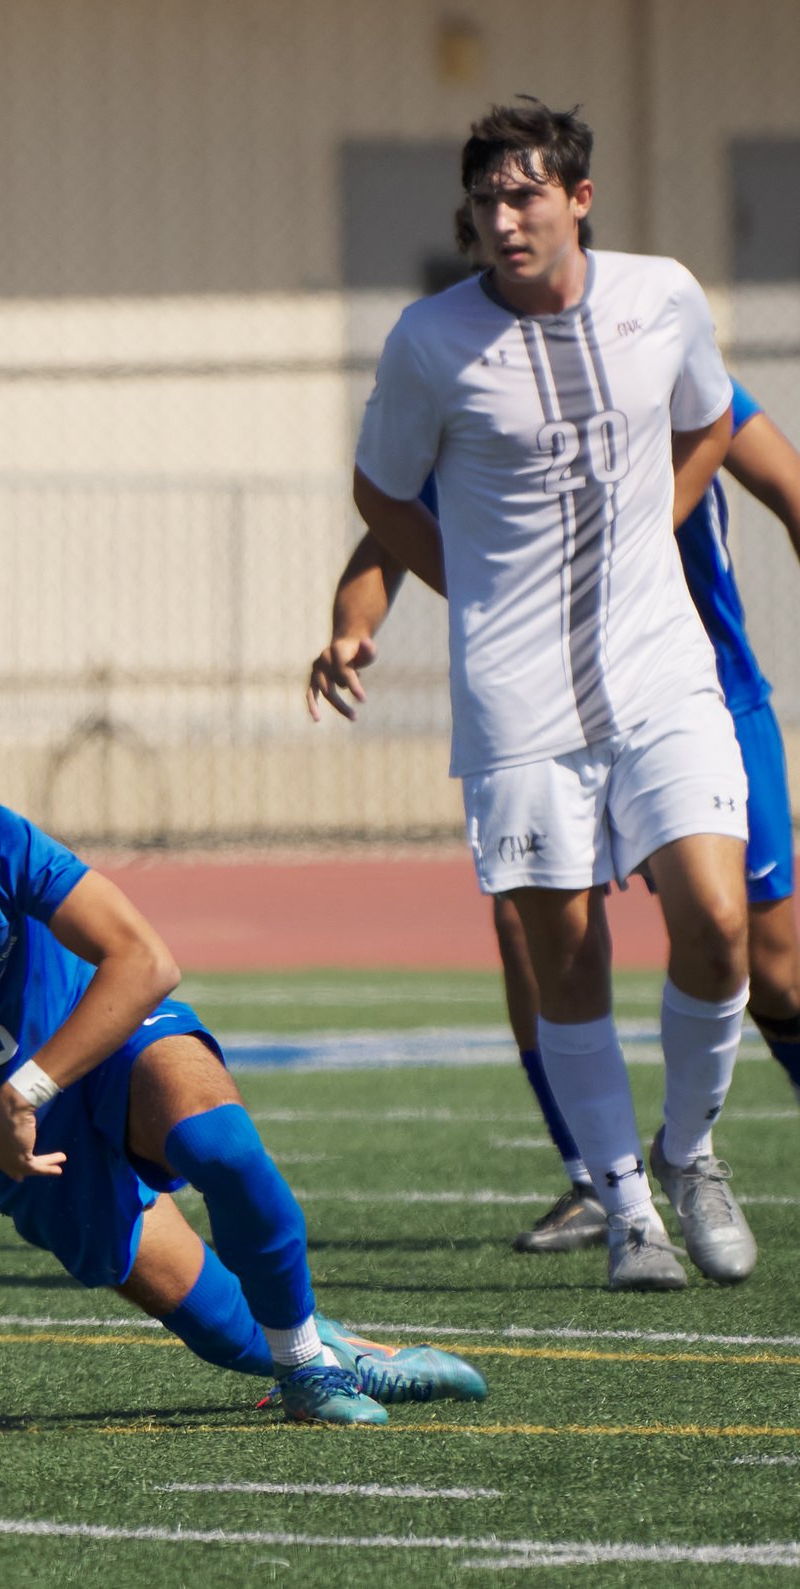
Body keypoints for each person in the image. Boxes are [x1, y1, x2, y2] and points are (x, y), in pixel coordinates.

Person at [344, 99, 752, 1290]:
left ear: (578, 199)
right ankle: (627, 1202)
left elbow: (714, 421)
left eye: (526, 195)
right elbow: (379, 495)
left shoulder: (663, 294)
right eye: (485, 201)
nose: (504, 219)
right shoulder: (428, 340)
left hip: (661, 668)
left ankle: (692, 1149)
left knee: (715, 920)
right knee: (562, 952)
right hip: (516, 694)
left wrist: (643, 534)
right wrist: (467, 591)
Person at [0, 780, 486, 1434]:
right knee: (227, 1334)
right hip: (8, 1144)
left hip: (105, 1034)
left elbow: (145, 961)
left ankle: (307, 1365)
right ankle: (344, 1350)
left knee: (222, 1148)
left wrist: (28, 1086)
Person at [314, 374, 800, 1259]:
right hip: (551, 710)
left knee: (772, 966)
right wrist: (352, 624)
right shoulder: (483, 390)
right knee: (533, 925)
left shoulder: (655, 345)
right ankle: (597, 1177)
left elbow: (789, 485)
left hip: (700, 697)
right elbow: (385, 526)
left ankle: (684, 1155)